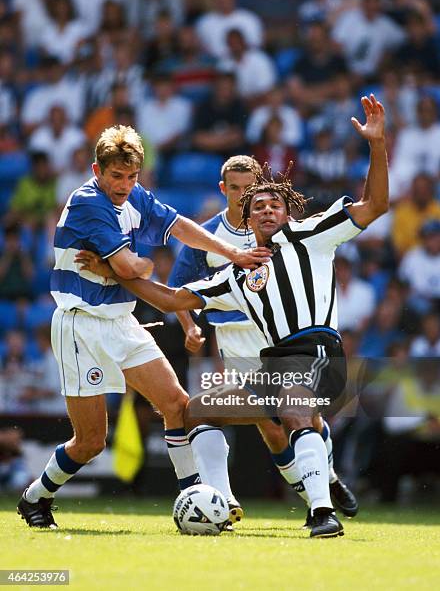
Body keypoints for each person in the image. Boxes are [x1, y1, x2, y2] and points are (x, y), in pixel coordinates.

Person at [77, 95, 389, 537]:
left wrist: (378, 146)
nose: (264, 209)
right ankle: (221, 505)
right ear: (244, 213)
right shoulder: (238, 273)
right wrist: (112, 268)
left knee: (295, 407)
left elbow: (375, 205)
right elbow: (169, 300)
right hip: (269, 366)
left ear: (287, 210)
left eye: (272, 204)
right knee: (199, 409)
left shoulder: (313, 235)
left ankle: (323, 512)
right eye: (256, 205)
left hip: (318, 354)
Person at [17, 124, 270, 529]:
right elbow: (131, 268)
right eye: (116, 176)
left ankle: (194, 500)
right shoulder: (87, 203)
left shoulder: (135, 196)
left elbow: (181, 227)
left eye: (131, 176)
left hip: (121, 319)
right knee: (91, 442)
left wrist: (233, 253)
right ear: (98, 170)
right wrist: (140, 265)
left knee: (177, 404)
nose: (124, 184)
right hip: (81, 326)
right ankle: (35, 497)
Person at [169, 154, 358, 527]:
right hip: (234, 340)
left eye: (248, 187)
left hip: (274, 335)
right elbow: (180, 289)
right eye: (235, 189)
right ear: (223, 190)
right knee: (270, 428)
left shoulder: (278, 228)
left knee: (297, 418)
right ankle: (230, 500)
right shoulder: (206, 235)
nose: (243, 196)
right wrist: (189, 325)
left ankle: (322, 489)